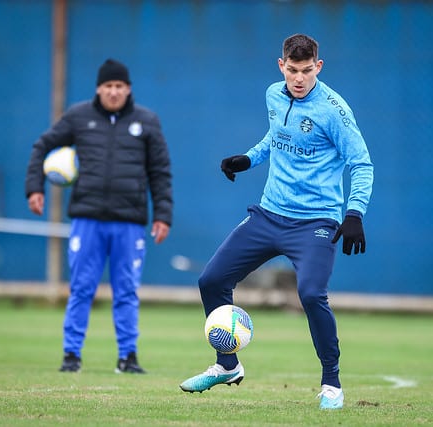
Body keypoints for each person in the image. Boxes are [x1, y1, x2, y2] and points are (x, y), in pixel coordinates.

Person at [179, 34, 373, 410]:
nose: (298, 79)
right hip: (269, 214)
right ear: (281, 65)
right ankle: (227, 365)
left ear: (318, 66)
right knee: (211, 280)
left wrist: (354, 213)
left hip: (316, 222)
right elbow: (276, 136)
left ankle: (331, 383)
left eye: (306, 71)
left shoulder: (334, 110)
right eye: (292, 70)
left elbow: (361, 163)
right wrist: (249, 159)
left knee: (312, 294)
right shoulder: (273, 94)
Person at [25, 58, 173, 374]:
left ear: (128, 89)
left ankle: (127, 357)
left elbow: (160, 172)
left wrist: (163, 215)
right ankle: (71, 355)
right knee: (81, 289)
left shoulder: (147, 121)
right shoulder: (79, 117)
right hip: (87, 220)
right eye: (108, 86)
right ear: (99, 89)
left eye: (119, 86)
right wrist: (34, 188)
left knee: (127, 291)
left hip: (129, 222)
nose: (114, 92)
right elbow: (42, 146)